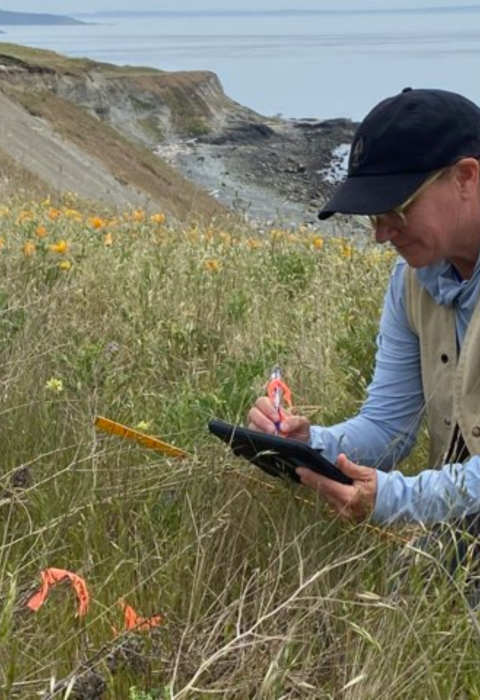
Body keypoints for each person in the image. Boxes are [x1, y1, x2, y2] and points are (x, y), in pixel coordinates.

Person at [248, 87, 480, 529]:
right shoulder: (411, 281)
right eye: (371, 216)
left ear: (466, 178)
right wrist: (310, 443)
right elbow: (388, 427)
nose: (380, 234)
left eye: (395, 208)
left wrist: (398, 498)